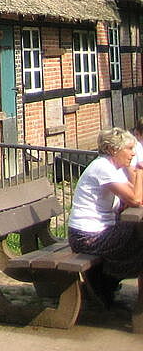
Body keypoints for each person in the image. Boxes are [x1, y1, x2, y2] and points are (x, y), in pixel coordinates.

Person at [67, 127, 143, 308]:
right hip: (86, 237)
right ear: (112, 150)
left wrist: (133, 175)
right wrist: (139, 173)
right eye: (129, 149)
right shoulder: (103, 168)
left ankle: (105, 285)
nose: (133, 154)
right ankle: (108, 285)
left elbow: (134, 197)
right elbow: (136, 199)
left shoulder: (113, 168)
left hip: (101, 231)